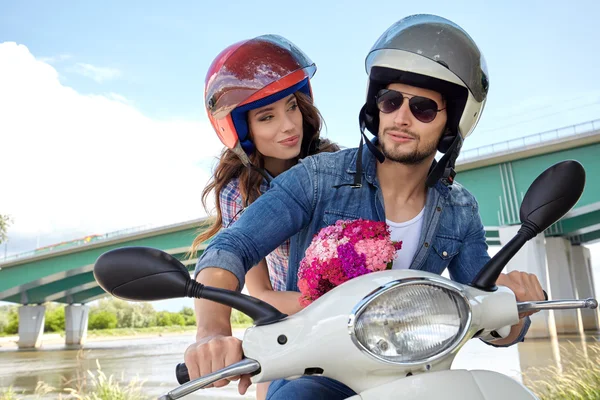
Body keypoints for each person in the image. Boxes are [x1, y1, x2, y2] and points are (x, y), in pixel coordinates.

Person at [184, 15, 546, 400]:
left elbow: (490, 317)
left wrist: (517, 307)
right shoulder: (318, 177)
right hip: (317, 370)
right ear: (377, 108)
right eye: (391, 101)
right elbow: (231, 248)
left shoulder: (460, 209)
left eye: (423, 108)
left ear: (453, 122)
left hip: (417, 377)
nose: (401, 118)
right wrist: (212, 331)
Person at [188, 34, 339, 399]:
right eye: (267, 117)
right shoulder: (237, 192)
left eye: (291, 107)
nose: (288, 125)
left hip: (364, 318)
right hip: (291, 319)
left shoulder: (337, 166)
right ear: (243, 129)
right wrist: (331, 300)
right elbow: (260, 292)